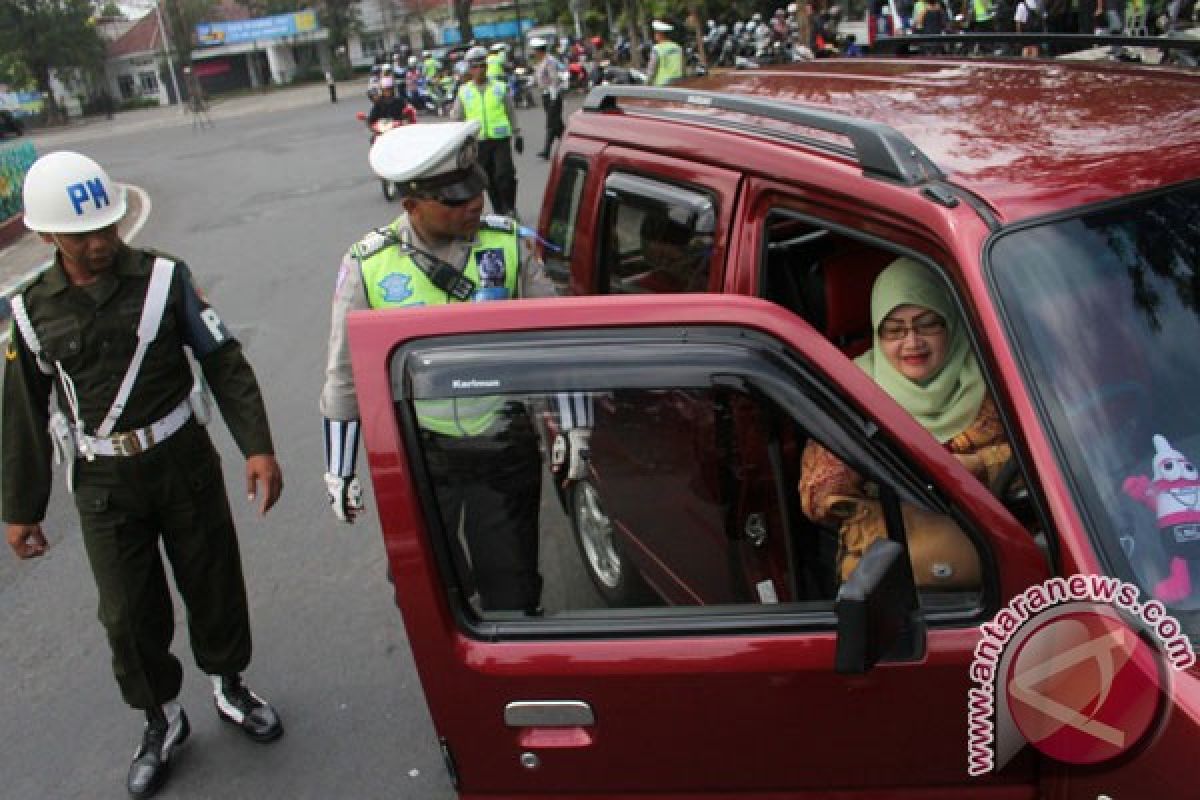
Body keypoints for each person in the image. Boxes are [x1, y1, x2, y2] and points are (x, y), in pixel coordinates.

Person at [3, 151, 284, 798]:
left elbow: (224, 360)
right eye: (83, 235)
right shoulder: (29, 312)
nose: (101, 243)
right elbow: (22, 415)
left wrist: (257, 446)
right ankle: (161, 717)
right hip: (105, 484)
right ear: (47, 236)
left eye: (109, 226)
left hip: (182, 460)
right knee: (127, 614)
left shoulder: (164, 278)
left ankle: (230, 686)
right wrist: (22, 509)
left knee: (212, 579)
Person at [320, 121, 558, 613]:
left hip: (502, 440)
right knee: (427, 584)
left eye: (476, 190)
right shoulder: (370, 266)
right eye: (454, 199)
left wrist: (574, 425)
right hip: (421, 453)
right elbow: (345, 377)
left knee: (512, 583)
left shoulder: (507, 245)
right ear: (411, 205)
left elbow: (559, 340)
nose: (474, 204)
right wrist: (339, 470)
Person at [798, 257, 1010, 588]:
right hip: (893, 583)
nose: (912, 343)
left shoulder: (994, 380)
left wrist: (979, 465)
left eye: (927, 325)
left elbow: (1041, 465)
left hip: (1005, 573)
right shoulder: (850, 390)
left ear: (951, 323)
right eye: (894, 330)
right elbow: (818, 496)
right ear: (876, 332)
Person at [451, 46, 523, 217]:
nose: (479, 70)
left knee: (504, 175)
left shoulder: (499, 87)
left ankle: (510, 208)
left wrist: (517, 133)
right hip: (478, 142)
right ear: (469, 69)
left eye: (482, 66)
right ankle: (499, 211)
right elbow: (457, 118)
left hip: (500, 139)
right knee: (488, 179)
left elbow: (510, 111)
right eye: (475, 67)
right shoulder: (464, 91)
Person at [530, 38, 563, 159]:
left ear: (540, 51)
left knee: (551, 123)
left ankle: (546, 151)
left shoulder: (549, 61)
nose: (533, 53)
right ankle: (569, 144)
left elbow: (554, 79)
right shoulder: (541, 62)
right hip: (545, 95)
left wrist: (554, 98)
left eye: (535, 50)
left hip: (552, 95)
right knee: (557, 125)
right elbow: (538, 78)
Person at [646, 20, 684, 86]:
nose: (655, 35)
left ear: (661, 34)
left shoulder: (657, 49)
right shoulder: (677, 47)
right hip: (678, 81)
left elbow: (652, 69)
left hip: (663, 83)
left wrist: (647, 83)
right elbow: (682, 65)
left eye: (656, 33)